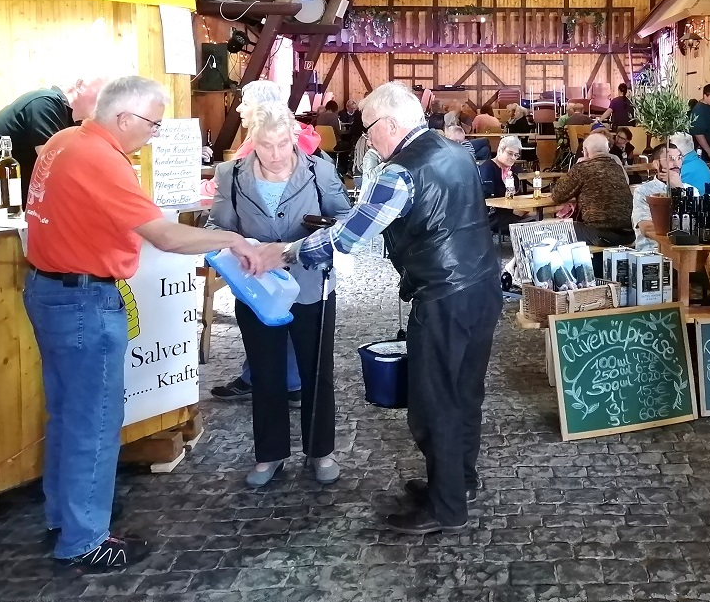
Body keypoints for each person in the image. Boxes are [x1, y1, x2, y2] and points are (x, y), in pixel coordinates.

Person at [243, 82, 501, 536]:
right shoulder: (458, 151)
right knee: (465, 393)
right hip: (482, 286)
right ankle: (457, 483)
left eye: (368, 130)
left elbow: (348, 239)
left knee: (434, 401)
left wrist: (284, 252)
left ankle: (446, 508)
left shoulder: (400, 171)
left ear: (391, 124)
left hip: (442, 295)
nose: (368, 140)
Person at [23, 76, 256, 571]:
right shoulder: (102, 160)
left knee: (67, 414)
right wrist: (232, 239)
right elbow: (166, 237)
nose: (152, 134)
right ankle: (85, 539)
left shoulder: (65, 141)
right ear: (124, 117)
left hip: (49, 290)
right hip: (84, 299)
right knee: (95, 420)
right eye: (151, 124)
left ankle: (66, 517)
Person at [207, 103, 353, 487]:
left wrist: (302, 243)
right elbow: (216, 226)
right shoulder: (231, 175)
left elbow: (343, 221)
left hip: (311, 286)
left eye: (282, 144)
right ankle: (269, 455)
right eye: (265, 145)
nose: (274, 154)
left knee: (316, 372)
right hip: (257, 289)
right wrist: (239, 246)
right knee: (265, 371)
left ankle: (320, 451)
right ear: (252, 141)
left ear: (294, 139)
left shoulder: (319, 170)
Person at [208, 79, 307, 403]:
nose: (238, 108)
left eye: (244, 102)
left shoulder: (256, 149)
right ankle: (272, 378)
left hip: (267, 255)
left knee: (268, 309)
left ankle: (276, 380)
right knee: (273, 310)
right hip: (283, 255)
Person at [0, 75, 108, 205]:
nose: (106, 103)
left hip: (15, 203)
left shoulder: (74, 121)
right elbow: (56, 166)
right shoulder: (46, 102)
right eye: (103, 94)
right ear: (80, 85)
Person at [551, 133, 634, 247]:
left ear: (585, 151)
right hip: (628, 234)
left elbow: (557, 195)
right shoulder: (617, 167)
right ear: (607, 150)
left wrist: (577, 166)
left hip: (601, 234)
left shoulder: (583, 168)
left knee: (553, 229)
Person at [631, 143, 695, 253]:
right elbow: (646, 228)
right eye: (670, 159)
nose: (676, 164)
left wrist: (680, 189)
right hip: (652, 251)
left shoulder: (691, 190)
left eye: (679, 158)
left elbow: (698, 224)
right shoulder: (643, 191)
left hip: (685, 251)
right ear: (656, 164)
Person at [478, 135, 532, 235]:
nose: (513, 158)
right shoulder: (487, 168)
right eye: (510, 153)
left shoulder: (512, 170)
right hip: (492, 216)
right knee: (531, 225)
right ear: (500, 150)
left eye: (516, 155)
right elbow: (485, 198)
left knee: (536, 219)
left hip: (509, 212)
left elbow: (516, 193)